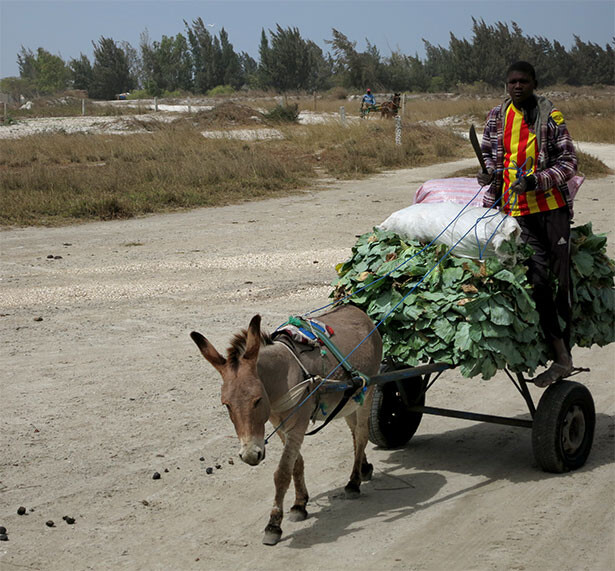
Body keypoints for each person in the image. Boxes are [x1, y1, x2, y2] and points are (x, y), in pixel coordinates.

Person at [477, 61, 578, 388]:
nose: (517, 87)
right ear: (506, 86)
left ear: (534, 83)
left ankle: (565, 356)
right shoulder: (496, 116)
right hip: (516, 212)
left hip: (550, 209)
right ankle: (553, 349)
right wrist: (488, 174)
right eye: (511, 82)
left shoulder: (551, 116)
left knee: (560, 281)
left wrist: (536, 181)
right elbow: (491, 157)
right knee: (536, 279)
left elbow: (569, 164)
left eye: (523, 81)